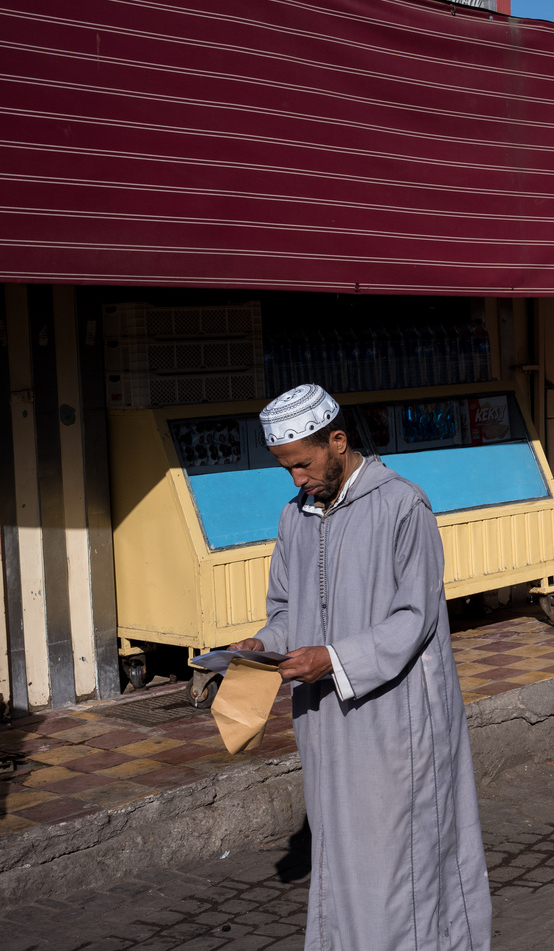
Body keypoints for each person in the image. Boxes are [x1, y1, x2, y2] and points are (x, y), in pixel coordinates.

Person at [230, 384, 490, 951]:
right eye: (287, 469)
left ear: (338, 442)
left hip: (394, 721)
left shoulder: (402, 504)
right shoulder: (294, 517)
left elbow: (415, 617)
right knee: (342, 853)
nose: (296, 479)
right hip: (327, 722)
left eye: (303, 464)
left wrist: (333, 658)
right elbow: (285, 609)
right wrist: (262, 644)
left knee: (404, 862)